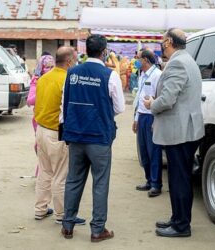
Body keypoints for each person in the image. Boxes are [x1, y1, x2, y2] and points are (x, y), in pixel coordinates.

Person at [60, 34, 125, 242]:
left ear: (85, 50)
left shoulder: (71, 73)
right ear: (104, 51)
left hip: (76, 136)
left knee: (73, 180)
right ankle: (97, 230)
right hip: (99, 137)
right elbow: (119, 107)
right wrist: (101, 113)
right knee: (100, 182)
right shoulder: (110, 75)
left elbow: (65, 104)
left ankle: (67, 226)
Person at [144, 28, 205, 237]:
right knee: (181, 177)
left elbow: (167, 100)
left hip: (179, 132)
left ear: (169, 41)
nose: (161, 45)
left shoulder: (178, 63)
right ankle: (177, 218)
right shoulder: (188, 60)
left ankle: (181, 226)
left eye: (163, 41)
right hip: (185, 130)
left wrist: (152, 104)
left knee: (179, 179)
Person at [34, 47, 85, 226]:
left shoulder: (44, 77)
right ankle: (62, 214)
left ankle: (40, 209)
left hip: (41, 130)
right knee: (60, 175)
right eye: (76, 59)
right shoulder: (68, 80)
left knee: (44, 172)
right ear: (70, 61)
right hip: (57, 133)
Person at [133, 49, 163, 198]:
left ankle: (156, 184)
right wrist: (136, 119)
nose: (136, 61)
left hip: (153, 117)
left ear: (145, 60)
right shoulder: (142, 75)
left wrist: (156, 120)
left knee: (154, 152)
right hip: (142, 116)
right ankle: (149, 180)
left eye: (138, 58)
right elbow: (139, 98)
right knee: (144, 152)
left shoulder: (158, 75)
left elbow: (160, 97)